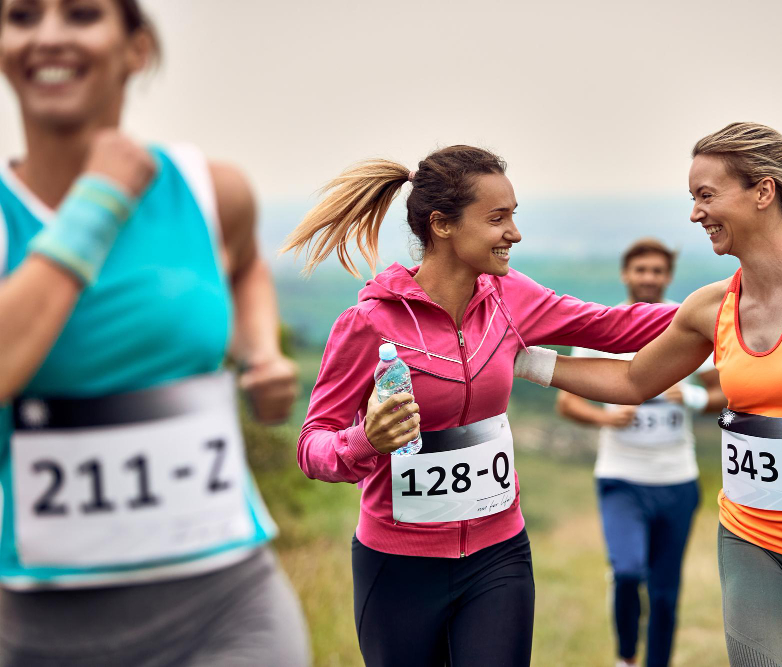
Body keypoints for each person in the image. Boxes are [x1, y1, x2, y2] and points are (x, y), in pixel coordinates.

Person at [513, 122, 782, 667]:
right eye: (692, 199)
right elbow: (631, 382)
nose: (695, 214)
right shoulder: (710, 306)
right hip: (752, 539)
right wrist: (520, 360)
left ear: (763, 192)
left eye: (706, 195)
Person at [281, 146, 678, 667]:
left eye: (513, 216)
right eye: (498, 218)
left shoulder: (511, 297)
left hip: (499, 555)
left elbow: (617, 327)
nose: (514, 233)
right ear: (443, 225)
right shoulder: (370, 323)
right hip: (397, 565)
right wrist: (365, 442)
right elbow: (313, 445)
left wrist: (737, 300)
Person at [0, 1, 308, 664]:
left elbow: (247, 261)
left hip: (228, 608)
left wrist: (263, 350)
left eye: (81, 14)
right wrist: (98, 201)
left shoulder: (206, 189)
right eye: (21, 16)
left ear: (134, 49)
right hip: (37, 629)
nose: (49, 36)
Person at [555, 238, 725, 667]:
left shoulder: (686, 324)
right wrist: (604, 419)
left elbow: (724, 392)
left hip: (677, 480)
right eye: (640, 270)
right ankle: (626, 658)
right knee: (628, 572)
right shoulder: (601, 327)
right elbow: (567, 401)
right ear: (625, 275)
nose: (648, 277)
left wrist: (686, 397)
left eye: (657, 271)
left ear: (667, 277)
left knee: (666, 594)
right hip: (620, 477)